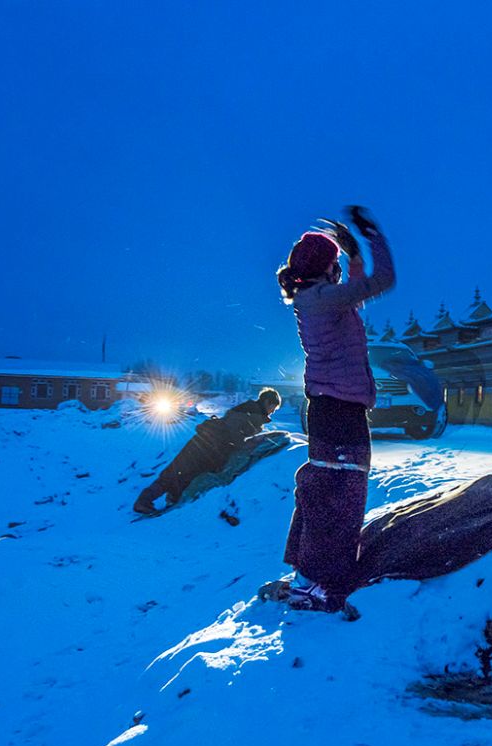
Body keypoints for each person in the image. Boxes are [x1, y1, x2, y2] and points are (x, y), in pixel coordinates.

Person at [276, 206, 395, 612]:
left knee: (324, 493)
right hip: (340, 412)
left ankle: (305, 576)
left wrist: (353, 256)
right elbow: (384, 281)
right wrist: (372, 236)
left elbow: (358, 292)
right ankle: (316, 584)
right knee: (341, 499)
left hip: (333, 410)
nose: (340, 271)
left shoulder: (318, 299)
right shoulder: (324, 300)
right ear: (327, 269)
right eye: (336, 265)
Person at [132, 388, 282, 515]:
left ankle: (169, 499)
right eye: (273, 408)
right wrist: (248, 443)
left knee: (184, 473)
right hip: (207, 447)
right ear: (267, 402)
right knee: (176, 471)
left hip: (208, 446)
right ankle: (143, 502)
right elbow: (234, 434)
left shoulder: (249, 411)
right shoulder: (251, 413)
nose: (272, 412)